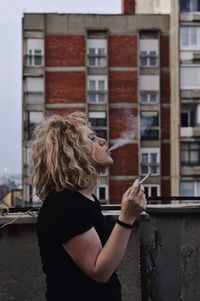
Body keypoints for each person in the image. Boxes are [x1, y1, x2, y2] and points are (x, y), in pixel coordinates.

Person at [30, 111, 147, 301]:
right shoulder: (64, 204)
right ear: (73, 153)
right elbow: (99, 270)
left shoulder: (85, 200)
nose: (102, 141)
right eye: (92, 138)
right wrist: (127, 216)